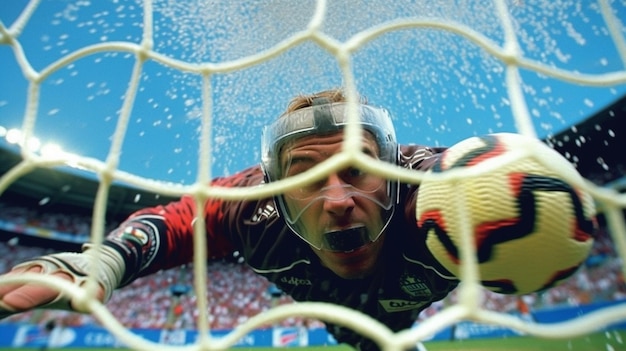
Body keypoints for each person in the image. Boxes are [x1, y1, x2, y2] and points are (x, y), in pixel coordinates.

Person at [0, 88, 459, 351]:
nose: (338, 200)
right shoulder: (249, 206)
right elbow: (180, 219)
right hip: (340, 316)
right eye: (309, 177)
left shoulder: (440, 192)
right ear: (274, 190)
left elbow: (506, 178)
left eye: (358, 170)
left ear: (393, 171)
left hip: (400, 310)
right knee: (361, 337)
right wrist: (107, 260)